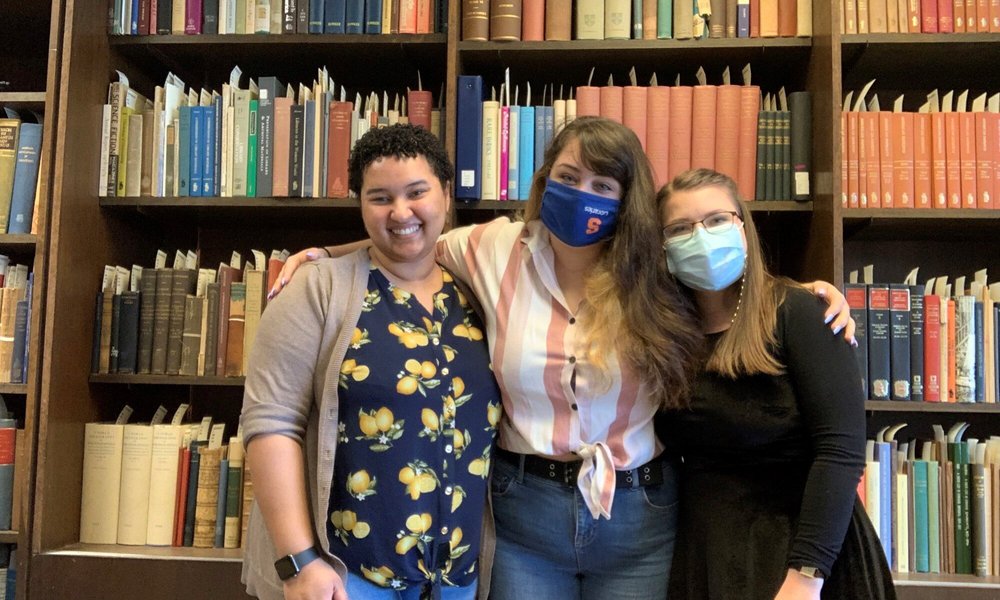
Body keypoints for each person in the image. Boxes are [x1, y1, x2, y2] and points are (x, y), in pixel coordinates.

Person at [269, 117, 855, 599]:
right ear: (545, 179)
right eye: (569, 177)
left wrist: (804, 295)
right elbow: (408, 237)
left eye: (604, 186)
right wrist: (322, 253)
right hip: (524, 514)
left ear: (628, 200)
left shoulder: (657, 271)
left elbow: (726, 289)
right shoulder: (491, 249)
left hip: (641, 515)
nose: (584, 195)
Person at [240, 124, 501, 600]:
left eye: (417, 193)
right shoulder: (317, 290)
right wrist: (300, 564)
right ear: (360, 204)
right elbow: (270, 424)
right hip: (346, 578)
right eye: (380, 197)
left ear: (445, 193)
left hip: (456, 580)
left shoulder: (475, 291)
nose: (401, 212)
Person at [656, 168, 894, 600]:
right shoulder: (666, 334)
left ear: (744, 230)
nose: (701, 237)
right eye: (680, 228)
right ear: (664, 247)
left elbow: (840, 452)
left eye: (715, 221)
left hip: (804, 556)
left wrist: (807, 575)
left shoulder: (800, 313)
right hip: (707, 551)